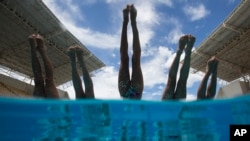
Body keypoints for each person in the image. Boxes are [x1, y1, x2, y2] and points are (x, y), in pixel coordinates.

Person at [118, 4, 143, 99]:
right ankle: (133, 22)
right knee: (136, 60)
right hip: (136, 95)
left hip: (125, 95)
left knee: (124, 59)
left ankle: (125, 22)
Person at [162, 35, 196, 100]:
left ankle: (180, 51)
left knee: (172, 83)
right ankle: (187, 52)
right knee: (181, 83)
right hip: (176, 109)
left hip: (167, 109)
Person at [28, 34, 60, 98]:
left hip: (42, 106)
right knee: (46, 82)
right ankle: (39, 50)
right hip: (48, 106)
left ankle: (36, 49)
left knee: (42, 82)